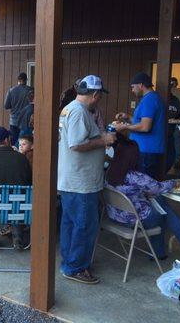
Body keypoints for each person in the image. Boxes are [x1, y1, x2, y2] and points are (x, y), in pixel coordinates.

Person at [106, 134, 180, 259]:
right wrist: (174, 181)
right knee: (160, 212)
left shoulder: (111, 171)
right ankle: (162, 250)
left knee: (158, 201)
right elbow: (158, 187)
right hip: (131, 220)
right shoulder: (136, 177)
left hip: (114, 215)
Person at [58, 75, 115, 284]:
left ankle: (70, 261)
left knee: (71, 224)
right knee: (83, 226)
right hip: (80, 182)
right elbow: (76, 144)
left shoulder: (70, 109)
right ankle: (75, 267)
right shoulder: (78, 112)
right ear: (95, 94)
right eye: (99, 95)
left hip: (72, 179)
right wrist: (104, 140)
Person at [114, 72, 165, 179]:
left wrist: (124, 127)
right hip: (148, 151)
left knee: (145, 186)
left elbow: (145, 127)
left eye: (133, 87)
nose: (132, 90)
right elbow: (142, 121)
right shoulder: (151, 98)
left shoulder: (149, 100)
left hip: (147, 152)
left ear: (140, 85)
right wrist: (128, 117)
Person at [4, 72, 33, 145]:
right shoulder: (31, 90)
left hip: (14, 121)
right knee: (26, 143)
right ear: (26, 80)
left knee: (14, 142)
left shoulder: (11, 90)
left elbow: (6, 106)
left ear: (18, 80)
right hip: (26, 120)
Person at [166, 93, 180, 172]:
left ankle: (177, 161)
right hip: (160, 131)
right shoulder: (158, 99)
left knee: (175, 146)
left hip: (174, 128)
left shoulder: (176, 101)